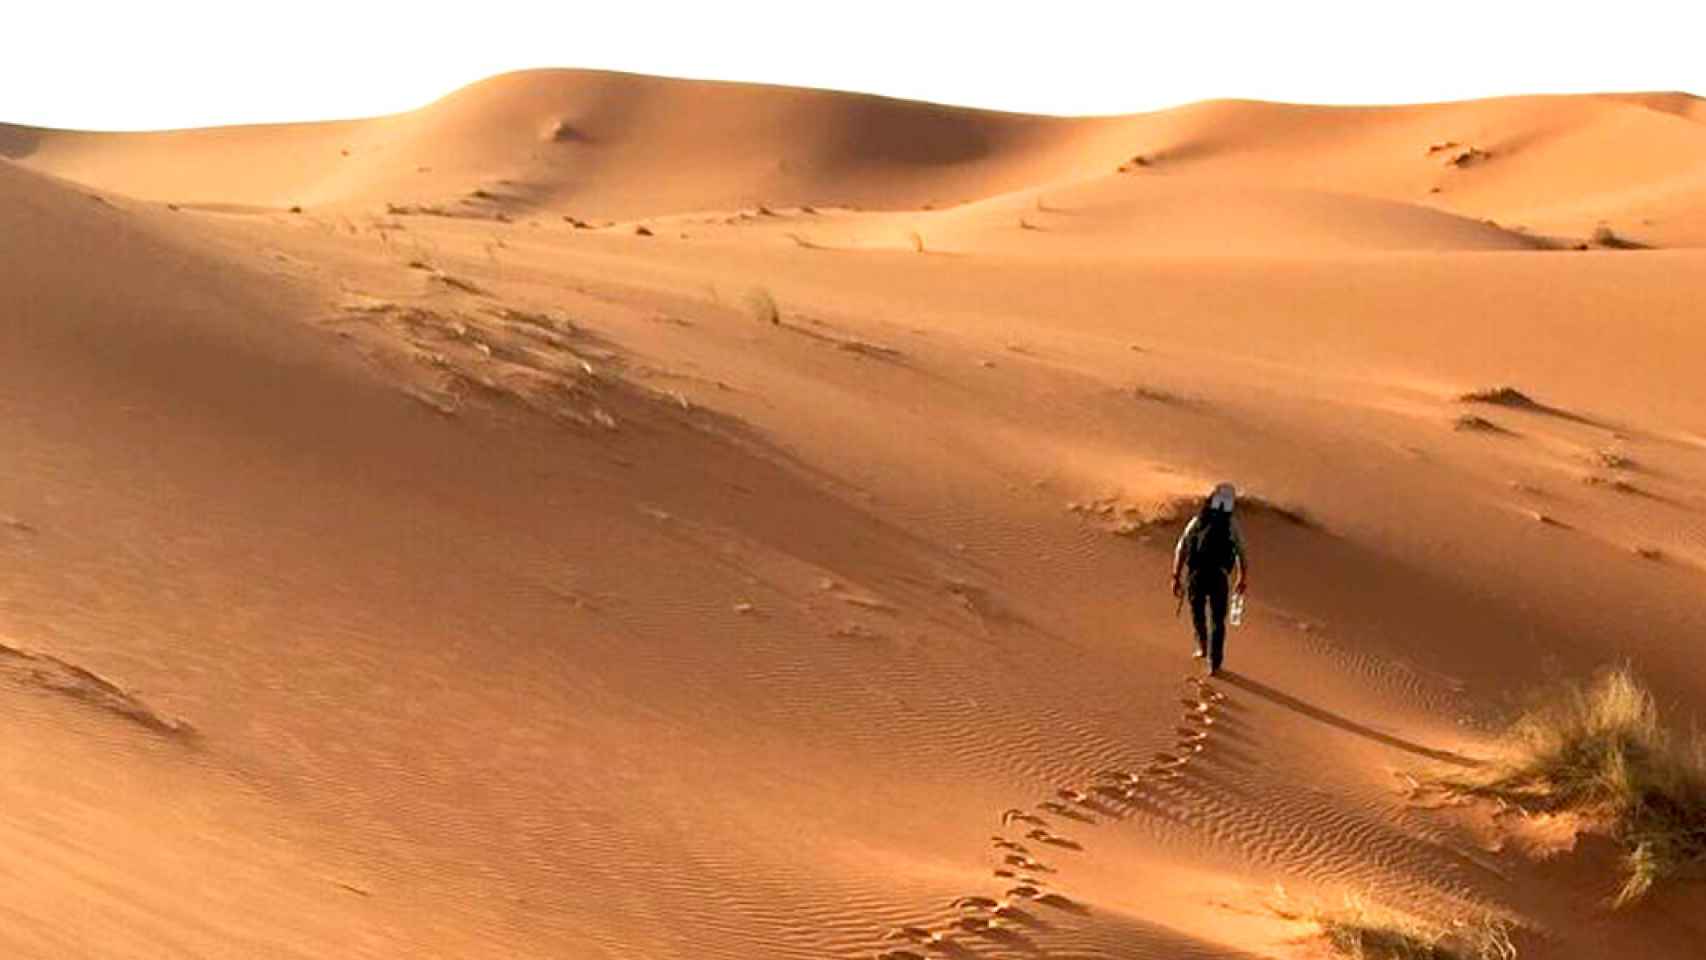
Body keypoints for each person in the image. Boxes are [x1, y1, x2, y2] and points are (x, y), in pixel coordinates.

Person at [1170, 483, 1248, 676]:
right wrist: (1242, 577)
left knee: (1197, 613)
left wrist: (1175, 576)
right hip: (1219, 576)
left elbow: (1182, 548)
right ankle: (1214, 662)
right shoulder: (1231, 524)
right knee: (1218, 620)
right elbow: (1241, 553)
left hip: (1196, 574)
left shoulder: (1198, 520)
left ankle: (1203, 647)